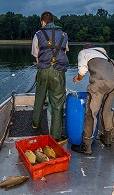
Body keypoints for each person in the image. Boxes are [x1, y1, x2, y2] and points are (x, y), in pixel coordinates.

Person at [71, 43, 114, 155]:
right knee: (107, 111)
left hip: (100, 84)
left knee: (91, 114)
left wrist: (77, 79)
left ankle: (86, 147)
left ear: (85, 48)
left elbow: (82, 71)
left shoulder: (83, 53)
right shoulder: (104, 54)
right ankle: (107, 140)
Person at [31, 11, 69, 142]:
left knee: (40, 97)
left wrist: (42, 65)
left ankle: (35, 123)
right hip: (59, 72)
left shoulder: (38, 34)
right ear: (54, 22)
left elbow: (36, 55)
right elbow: (63, 52)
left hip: (43, 70)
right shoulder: (64, 35)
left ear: (42, 22)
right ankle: (56, 136)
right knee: (58, 103)